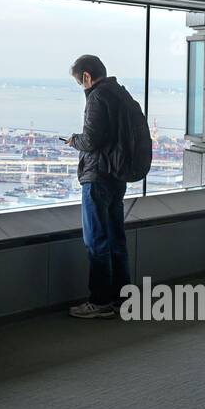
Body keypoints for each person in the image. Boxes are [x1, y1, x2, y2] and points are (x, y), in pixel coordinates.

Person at [65, 54, 137, 319]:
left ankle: (100, 301)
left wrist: (75, 140)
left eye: (79, 82)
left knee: (96, 241)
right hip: (117, 176)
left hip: (98, 177)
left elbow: (92, 139)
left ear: (86, 76)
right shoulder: (120, 93)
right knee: (117, 239)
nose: (81, 88)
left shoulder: (97, 97)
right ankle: (122, 299)